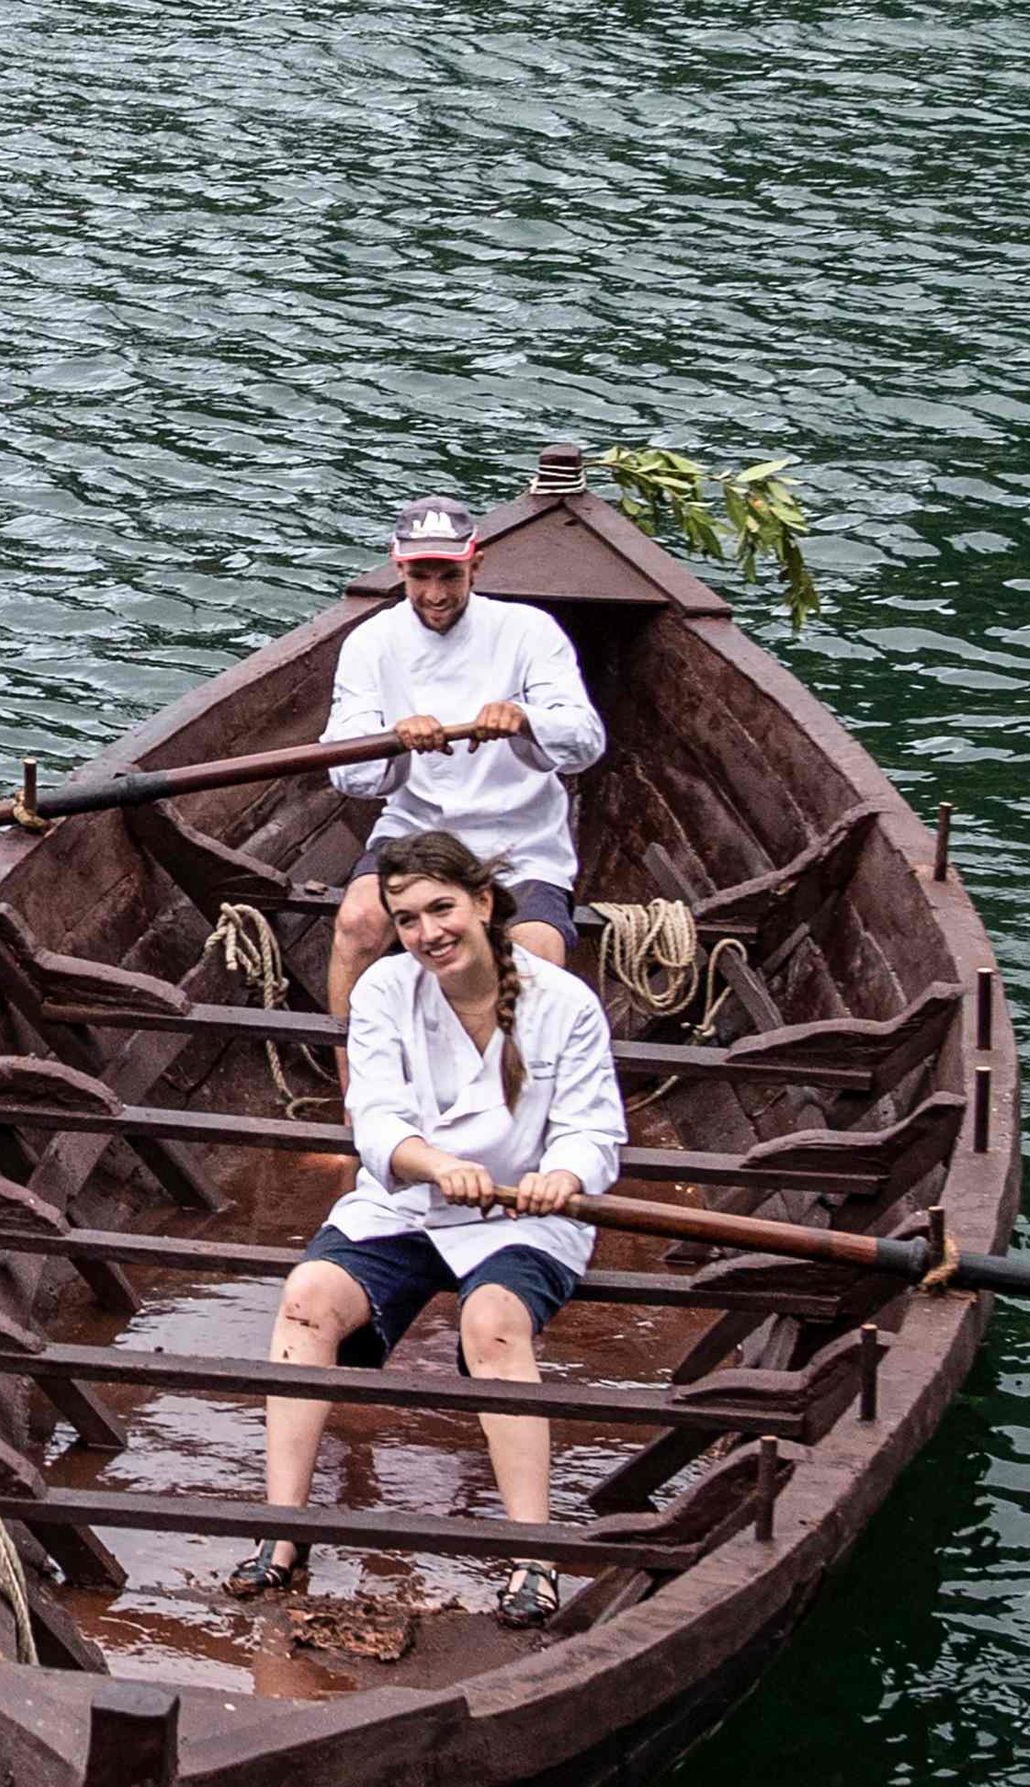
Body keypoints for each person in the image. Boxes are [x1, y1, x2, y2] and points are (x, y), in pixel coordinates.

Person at [230, 831, 629, 1630]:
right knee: (307, 1296)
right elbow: (374, 1120)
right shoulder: (384, 991)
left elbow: (595, 1130)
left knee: (493, 1324)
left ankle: (533, 1557)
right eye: (407, 918)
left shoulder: (563, 1002)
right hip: (407, 1201)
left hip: (523, 1213)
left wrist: (564, 1175)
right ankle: (282, 1535)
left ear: (484, 904)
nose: (427, 933)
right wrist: (434, 1164)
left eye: (441, 909)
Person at [320, 494, 608, 1012]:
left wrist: (526, 720)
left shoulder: (529, 631)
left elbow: (585, 742)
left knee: (535, 962)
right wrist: (395, 740)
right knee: (358, 922)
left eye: (449, 576)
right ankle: (353, 1085)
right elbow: (349, 774)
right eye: (421, 576)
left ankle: (511, 1087)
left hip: (522, 840)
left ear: (475, 565)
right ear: (399, 566)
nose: (435, 594)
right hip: (416, 831)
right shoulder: (370, 642)